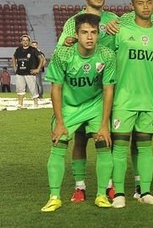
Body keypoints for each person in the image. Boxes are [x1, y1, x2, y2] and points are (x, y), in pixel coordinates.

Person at [41, 13, 115, 212]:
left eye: (93, 32)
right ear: (76, 34)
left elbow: (108, 89)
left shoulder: (107, 55)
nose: (89, 37)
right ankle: (54, 196)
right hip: (69, 106)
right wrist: (59, 121)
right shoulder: (63, 54)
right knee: (58, 143)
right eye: (84, 32)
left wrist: (104, 124)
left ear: (98, 34)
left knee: (103, 143)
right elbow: (55, 88)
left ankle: (101, 195)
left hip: (95, 105)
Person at [58, 0, 121, 203]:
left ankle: (109, 186)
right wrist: (67, 40)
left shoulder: (114, 20)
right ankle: (80, 186)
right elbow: (63, 52)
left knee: (106, 138)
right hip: (79, 92)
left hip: (104, 91)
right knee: (80, 140)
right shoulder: (73, 22)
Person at [110, 0, 153, 208]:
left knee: (145, 146)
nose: (145, 7)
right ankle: (118, 194)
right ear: (132, 5)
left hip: (149, 99)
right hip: (123, 99)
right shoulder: (120, 31)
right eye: (140, 3)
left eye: (149, 2)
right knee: (119, 147)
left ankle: (144, 191)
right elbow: (106, 58)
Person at [12, 35, 42, 109]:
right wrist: (15, 67)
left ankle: (36, 103)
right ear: (21, 41)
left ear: (29, 41)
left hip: (30, 72)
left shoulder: (33, 50)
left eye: (26, 40)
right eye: (23, 40)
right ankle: (20, 104)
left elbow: (41, 59)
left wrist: (38, 69)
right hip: (20, 73)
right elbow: (13, 57)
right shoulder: (18, 49)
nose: (25, 41)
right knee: (20, 89)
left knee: (33, 89)